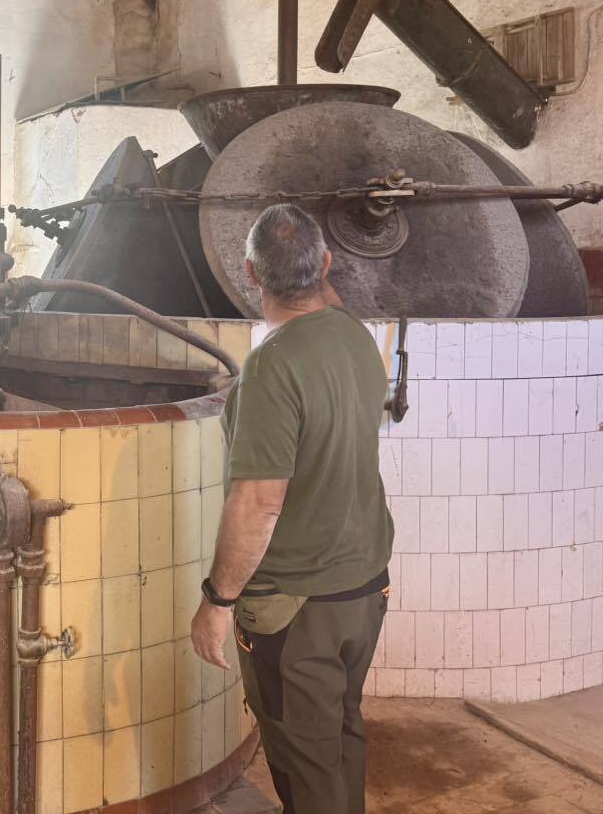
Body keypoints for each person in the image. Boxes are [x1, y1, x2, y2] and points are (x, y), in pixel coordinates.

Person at [189, 203, 394, 814]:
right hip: (363, 587)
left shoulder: (272, 369)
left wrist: (217, 602)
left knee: (305, 763)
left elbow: (258, 503)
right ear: (326, 264)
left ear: (252, 274)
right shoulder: (354, 336)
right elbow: (324, 299)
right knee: (341, 730)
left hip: (296, 606)